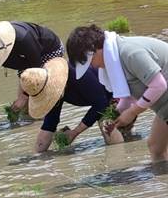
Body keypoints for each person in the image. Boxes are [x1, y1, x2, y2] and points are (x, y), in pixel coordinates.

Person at [66, 24, 168, 163]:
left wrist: (133, 112)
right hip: (164, 105)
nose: (91, 66)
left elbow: (159, 85)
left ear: (95, 49)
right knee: (156, 148)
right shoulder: (114, 60)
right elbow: (130, 94)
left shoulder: (129, 52)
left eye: (89, 62)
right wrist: (117, 115)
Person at [0, 21, 64, 135]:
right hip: (26, 61)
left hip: (47, 52)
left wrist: (25, 96)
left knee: (38, 108)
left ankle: (46, 134)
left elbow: (38, 71)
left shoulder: (23, 39)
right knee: (25, 111)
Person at [20, 57, 124, 152]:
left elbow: (101, 103)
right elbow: (49, 124)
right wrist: (38, 158)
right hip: (103, 100)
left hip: (118, 94)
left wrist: (75, 132)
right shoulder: (52, 92)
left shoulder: (77, 73)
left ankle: (121, 167)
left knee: (106, 124)